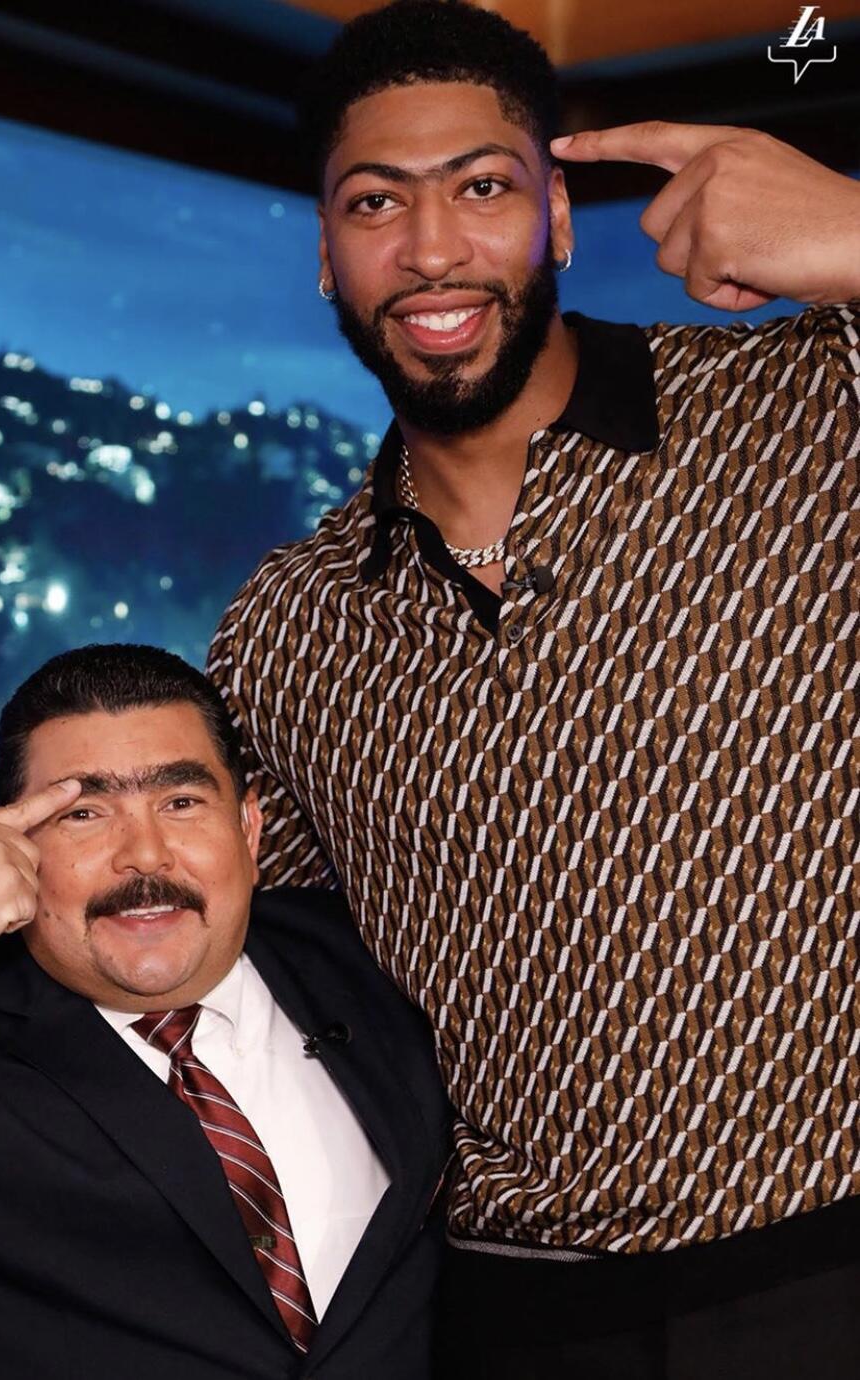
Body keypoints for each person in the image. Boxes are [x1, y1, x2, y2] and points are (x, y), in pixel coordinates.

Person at [205, 2, 860, 1375]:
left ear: (558, 219)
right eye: (375, 202)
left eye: (483, 188)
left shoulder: (810, 409)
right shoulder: (284, 631)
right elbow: (258, 989)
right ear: (326, 254)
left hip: (828, 1274)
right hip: (507, 1315)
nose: (431, 250)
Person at [0, 644, 450, 1380]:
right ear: (11, 851)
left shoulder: (380, 959)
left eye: (181, 802)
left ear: (249, 828)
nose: (145, 855)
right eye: (84, 813)